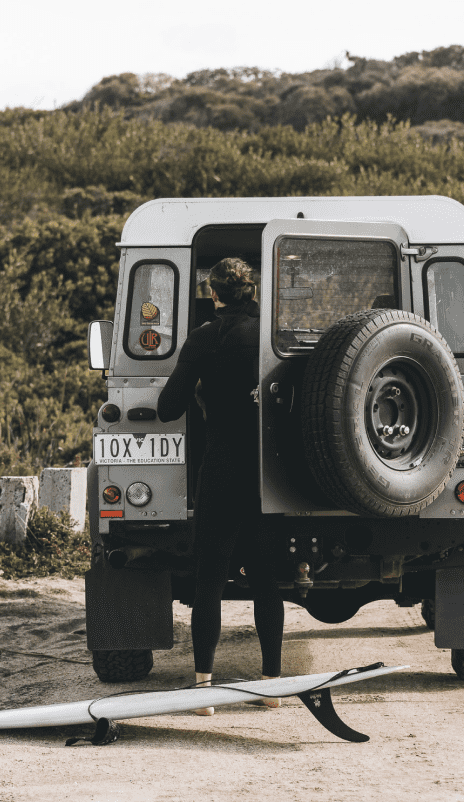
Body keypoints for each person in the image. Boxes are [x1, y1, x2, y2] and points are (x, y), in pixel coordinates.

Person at [156, 257, 284, 713]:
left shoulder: (203, 338)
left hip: (220, 471)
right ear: (253, 292)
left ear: (213, 294)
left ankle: (205, 689)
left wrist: (197, 388)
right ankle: (271, 687)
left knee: (209, 578)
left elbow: (169, 407)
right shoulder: (274, 342)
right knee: (266, 580)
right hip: (268, 476)